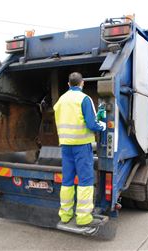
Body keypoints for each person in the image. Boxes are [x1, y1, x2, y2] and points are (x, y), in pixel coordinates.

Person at [54, 72, 106, 227]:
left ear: (68, 84)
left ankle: (65, 214)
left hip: (65, 146)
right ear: (82, 83)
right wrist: (102, 124)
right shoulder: (84, 99)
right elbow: (91, 124)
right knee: (85, 180)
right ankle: (83, 217)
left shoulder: (61, 100)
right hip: (81, 146)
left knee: (67, 180)